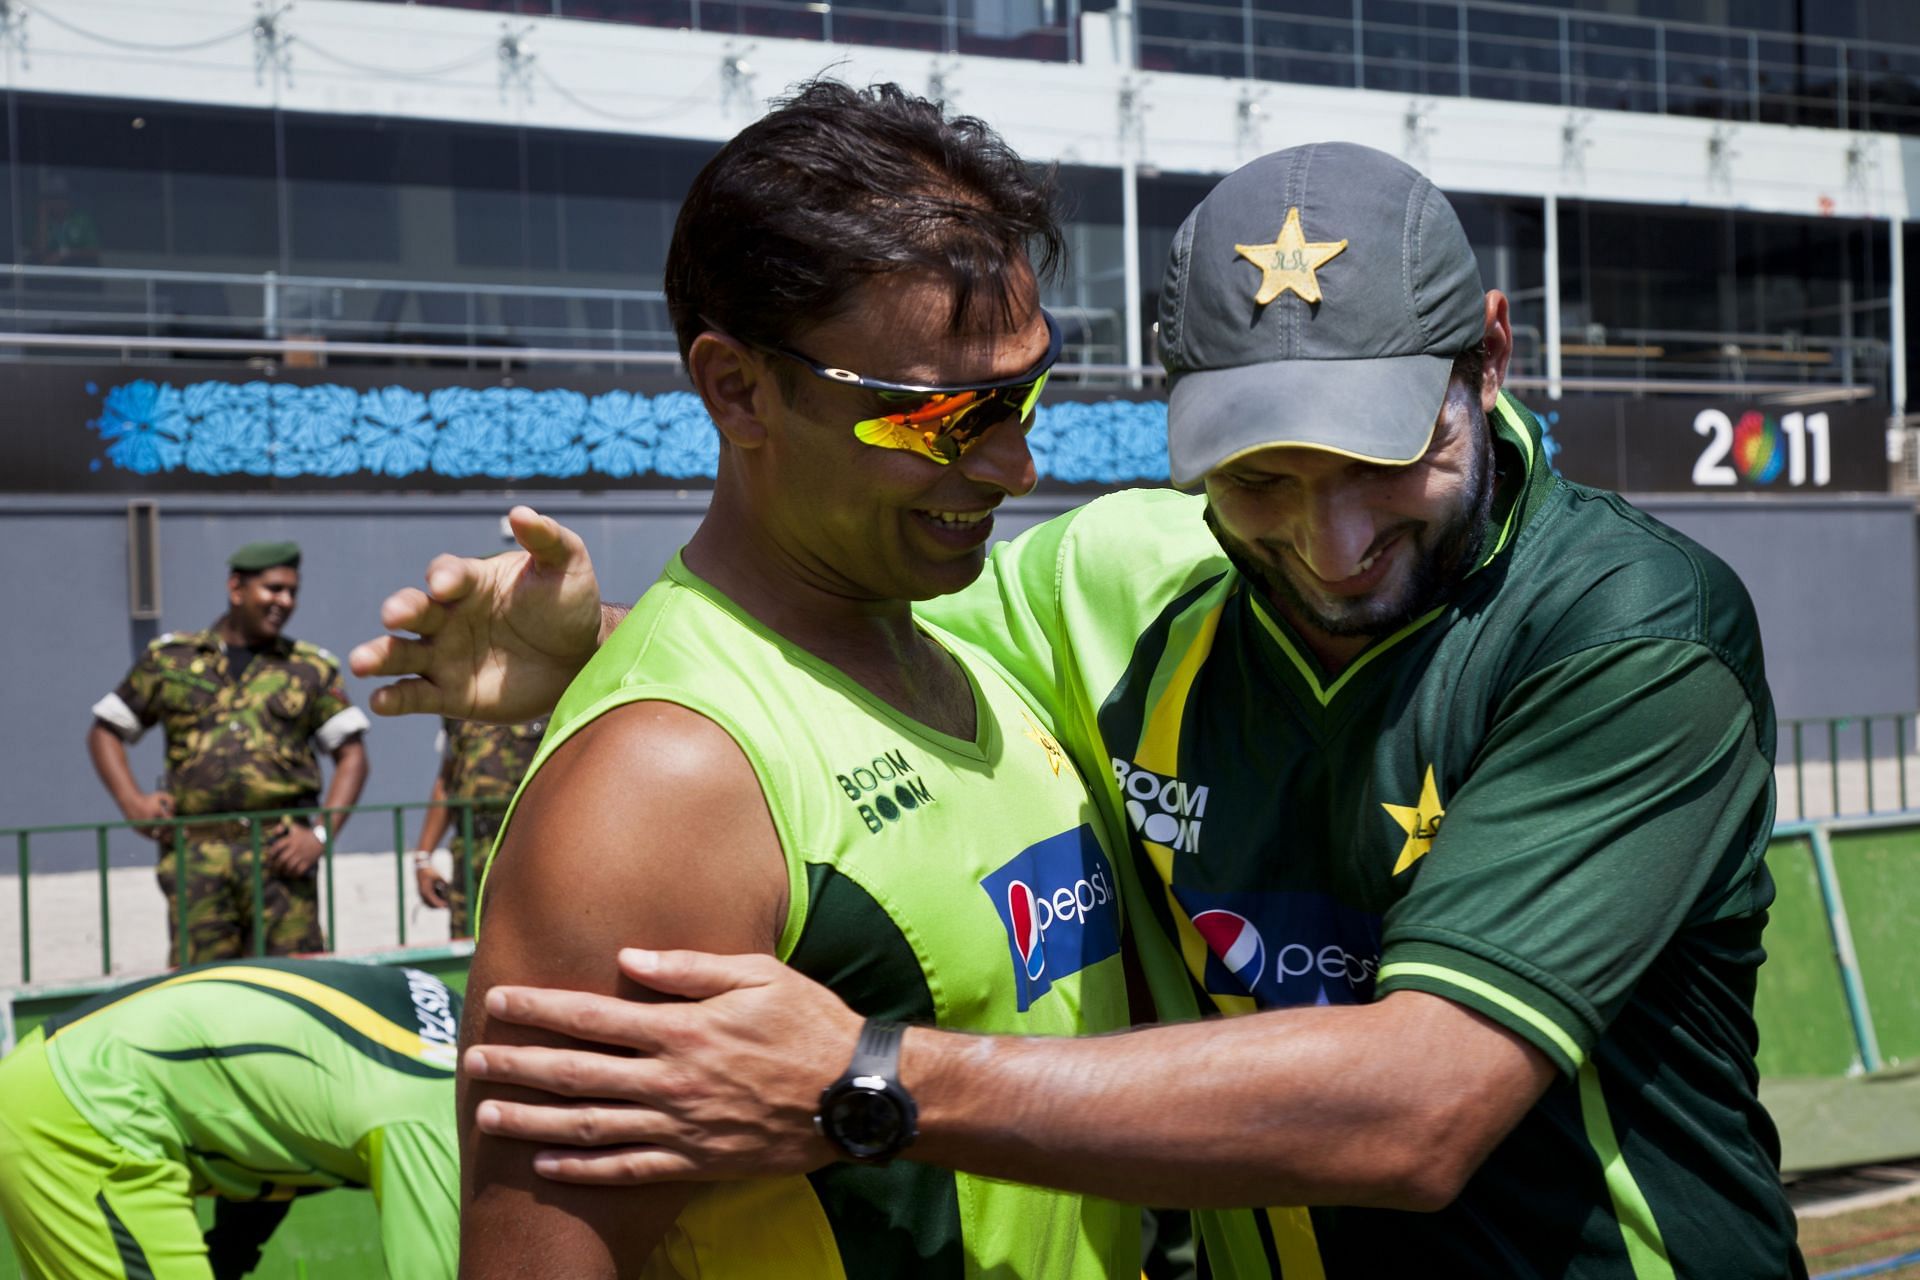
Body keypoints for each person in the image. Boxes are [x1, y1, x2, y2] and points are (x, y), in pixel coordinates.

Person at [358, 141, 1805, 1278]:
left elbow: (1417, 1108)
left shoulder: (1627, 630)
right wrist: (613, 653)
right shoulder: (1136, 588)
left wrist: (862, 1077)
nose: (1331, 541)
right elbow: (829, 664)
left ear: (1486, 364)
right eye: (1260, 476)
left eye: (1388, 460)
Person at [368, 81, 1138, 1278]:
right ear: (738, 389)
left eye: (1027, 391)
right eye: (942, 415)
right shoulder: (660, 787)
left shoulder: (967, 648)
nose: (1015, 461)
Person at [0, 956, 461, 1279]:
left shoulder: (449, 1013)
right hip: (86, 1120)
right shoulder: (434, 1117)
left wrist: (230, 1256)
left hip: (58, 1075)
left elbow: (277, 1107)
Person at [88, 541, 371, 964]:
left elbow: (353, 755)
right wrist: (132, 802)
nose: (285, 602)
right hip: (197, 862)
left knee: (293, 989)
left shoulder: (309, 668)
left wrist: (320, 835)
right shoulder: (172, 661)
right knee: (204, 992)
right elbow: (106, 731)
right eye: (273, 589)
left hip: (282, 862)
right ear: (236, 588)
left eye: (292, 592)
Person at [410, 716, 545, 939]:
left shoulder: (544, 698)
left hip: (522, 845)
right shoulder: (458, 710)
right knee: (467, 946)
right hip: (470, 849)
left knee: (525, 940)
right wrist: (423, 859)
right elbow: (446, 781)